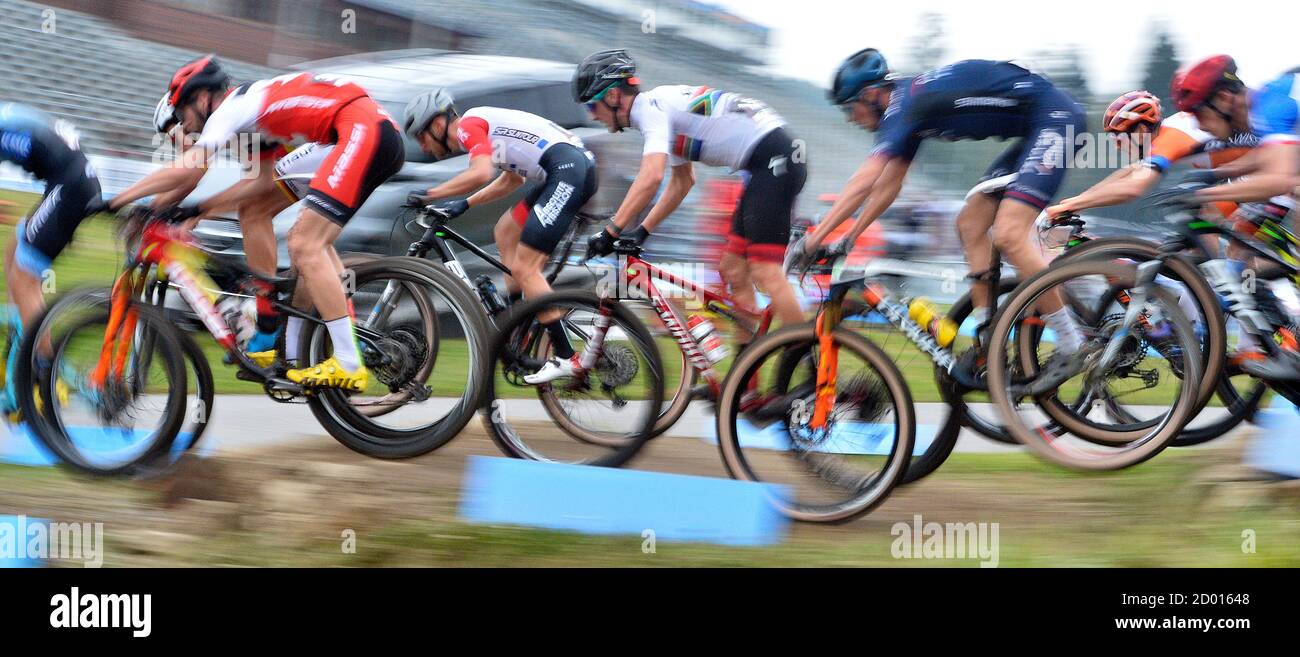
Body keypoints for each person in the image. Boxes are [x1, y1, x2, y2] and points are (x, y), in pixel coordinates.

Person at [108, 56, 406, 391]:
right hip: (358, 132)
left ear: (203, 99)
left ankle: (347, 362)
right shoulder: (250, 122)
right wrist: (196, 209)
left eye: (182, 117)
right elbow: (262, 183)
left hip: (359, 131)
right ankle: (278, 338)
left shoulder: (228, 110)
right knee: (256, 213)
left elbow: (190, 170)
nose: (186, 127)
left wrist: (115, 200)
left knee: (305, 245)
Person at [802, 50, 1088, 392]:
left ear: (872, 95)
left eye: (850, 108)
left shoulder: (904, 106)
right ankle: (990, 343)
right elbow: (887, 186)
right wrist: (847, 239)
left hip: (1056, 120)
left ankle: (1073, 343)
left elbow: (866, 180)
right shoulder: (909, 114)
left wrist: (814, 239)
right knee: (970, 224)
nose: (851, 118)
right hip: (1035, 129)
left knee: (1010, 235)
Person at [573, 49, 808, 374]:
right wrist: (642, 231)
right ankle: (746, 376)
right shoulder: (662, 111)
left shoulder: (650, 109)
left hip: (773, 159)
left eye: (591, 105)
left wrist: (612, 230)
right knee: (733, 270)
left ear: (613, 95)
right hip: (766, 160)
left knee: (766, 271)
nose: (592, 116)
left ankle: (813, 366)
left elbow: (652, 176)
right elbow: (682, 182)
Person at [401, 89, 598, 383]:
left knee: (525, 267)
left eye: (421, 136)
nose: (424, 146)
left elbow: (481, 173)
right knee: (505, 231)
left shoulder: (468, 126)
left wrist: (430, 195)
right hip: (566, 169)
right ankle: (518, 319)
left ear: (438, 125)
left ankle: (565, 356)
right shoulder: (484, 127)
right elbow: (511, 179)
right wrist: (464, 204)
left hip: (567, 171)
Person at [0, 103, 103, 415]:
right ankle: (25, 340)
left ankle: (42, 373)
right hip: (70, 183)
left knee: (24, 279)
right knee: (12, 254)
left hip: (69, 187)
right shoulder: (6, 116)